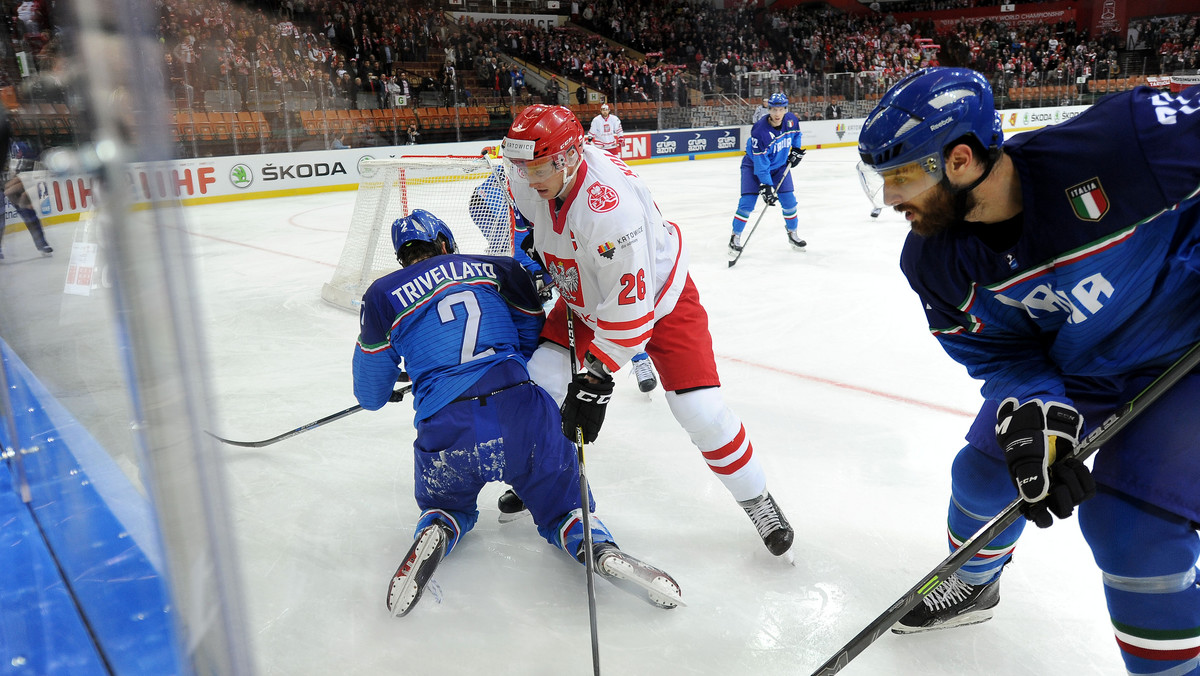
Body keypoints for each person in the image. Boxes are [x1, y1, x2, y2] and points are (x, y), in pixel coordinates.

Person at [856, 66, 1200, 673]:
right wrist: (1036, 409)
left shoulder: (1126, 139)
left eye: (903, 176)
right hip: (1085, 368)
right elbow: (997, 355)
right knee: (984, 474)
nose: (890, 199)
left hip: (1185, 350)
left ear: (960, 160)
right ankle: (977, 583)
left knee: (1130, 523)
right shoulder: (934, 263)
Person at [354, 209, 683, 617]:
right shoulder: (498, 267)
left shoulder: (382, 294)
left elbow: (368, 394)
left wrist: (412, 374)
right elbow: (533, 344)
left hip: (447, 424)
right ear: (444, 244)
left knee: (446, 503)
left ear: (404, 256)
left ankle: (439, 526)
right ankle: (595, 545)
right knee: (564, 508)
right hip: (523, 413)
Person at [501, 105, 795, 558]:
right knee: (540, 380)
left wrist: (597, 380)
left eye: (537, 166)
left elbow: (630, 314)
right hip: (583, 291)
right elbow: (518, 212)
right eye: (519, 165)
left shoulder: (609, 211)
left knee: (700, 411)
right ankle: (546, 474)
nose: (527, 176)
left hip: (659, 300)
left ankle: (757, 498)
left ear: (570, 157)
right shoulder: (528, 177)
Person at [728, 92, 807, 255]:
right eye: (774, 110)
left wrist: (797, 150)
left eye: (780, 110)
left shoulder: (791, 120)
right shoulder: (760, 131)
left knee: (789, 201)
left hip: (779, 166)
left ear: (785, 109)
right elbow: (761, 164)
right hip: (753, 166)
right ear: (768, 109)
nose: (777, 114)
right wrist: (766, 185)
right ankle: (735, 237)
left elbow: (796, 134)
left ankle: (793, 234)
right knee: (747, 203)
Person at [0, 139, 53, 260]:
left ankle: (42, 244)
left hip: (15, 184)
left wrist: (24, 180)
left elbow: (33, 163)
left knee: (29, 214)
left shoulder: (19, 146)